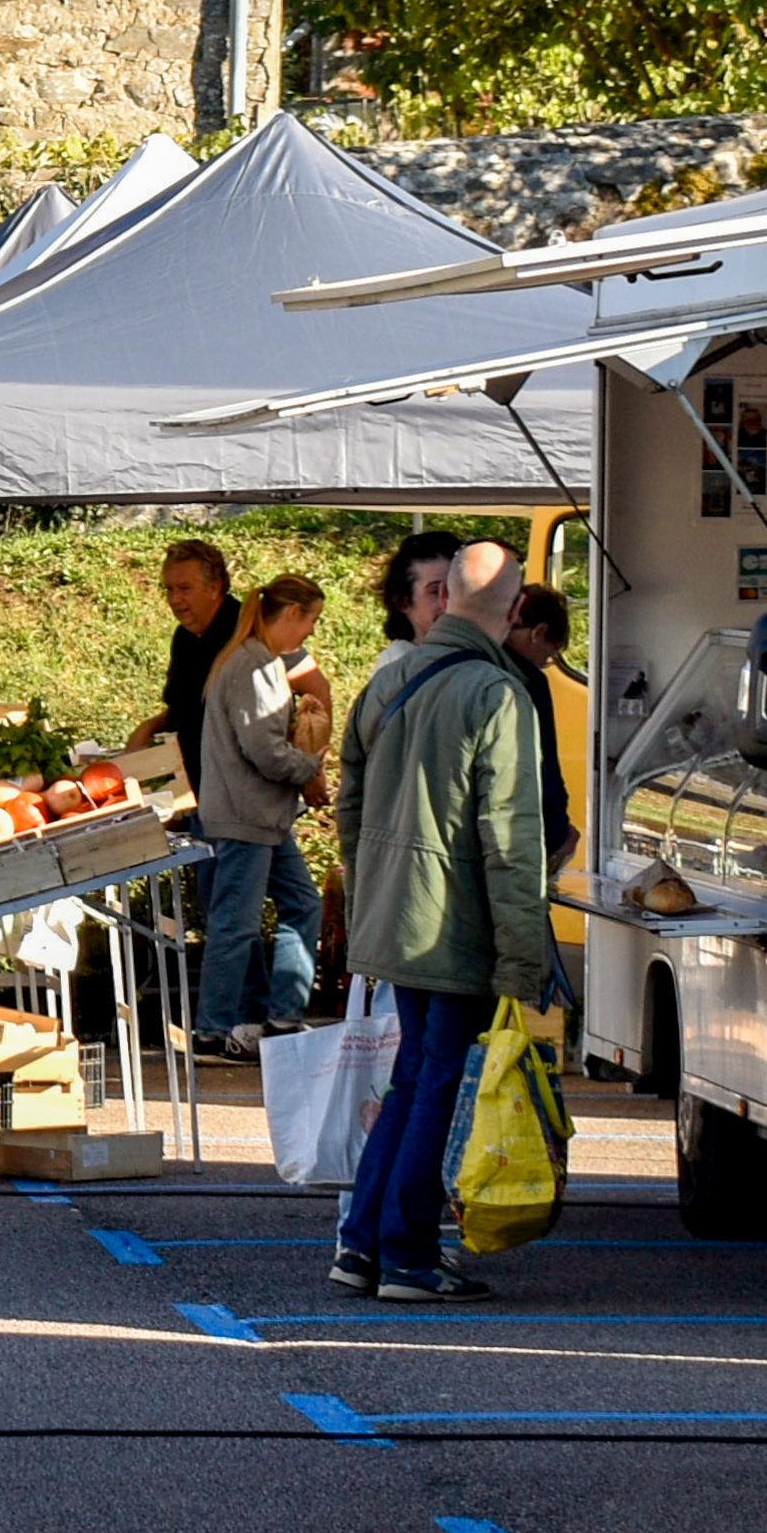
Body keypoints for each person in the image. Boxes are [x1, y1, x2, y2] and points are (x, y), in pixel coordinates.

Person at [327, 540, 560, 1300]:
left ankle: (362, 1243)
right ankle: (408, 1253)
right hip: (452, 922)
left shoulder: (392, 679)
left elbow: (349, 807)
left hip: (394, 913)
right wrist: (525, 957)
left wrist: (365, 909)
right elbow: (511, 839)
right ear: (517, 608)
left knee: (411, 1078)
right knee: (435, 1083)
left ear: (448, 594)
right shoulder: (498, 695)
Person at [193, 573, 330, 1055]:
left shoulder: (259, 661)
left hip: (261, 817)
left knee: (302, 904)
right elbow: (266, 752)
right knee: (236, 922)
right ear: (291, 614)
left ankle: (283, 1018)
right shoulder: (251, 665)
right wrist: (311, 766)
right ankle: (212, 1029)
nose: (310, 633)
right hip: (244, 817)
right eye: (310, 621)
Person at [508, 580, 579, 886]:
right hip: (518, 837)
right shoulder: (529, 681)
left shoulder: (462, 663)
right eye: (549, 657)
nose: (544, 664)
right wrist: (559, 832)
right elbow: (544, 766)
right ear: (538, 633)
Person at [154, 538, 239, 768]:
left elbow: (314, 686)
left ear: (215, 587)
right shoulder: (184, 637)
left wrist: (309, 771)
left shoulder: (247, 629)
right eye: (169, 589)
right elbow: (184, 708)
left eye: (185, 589)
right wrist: (149, 729)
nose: (174, 600)